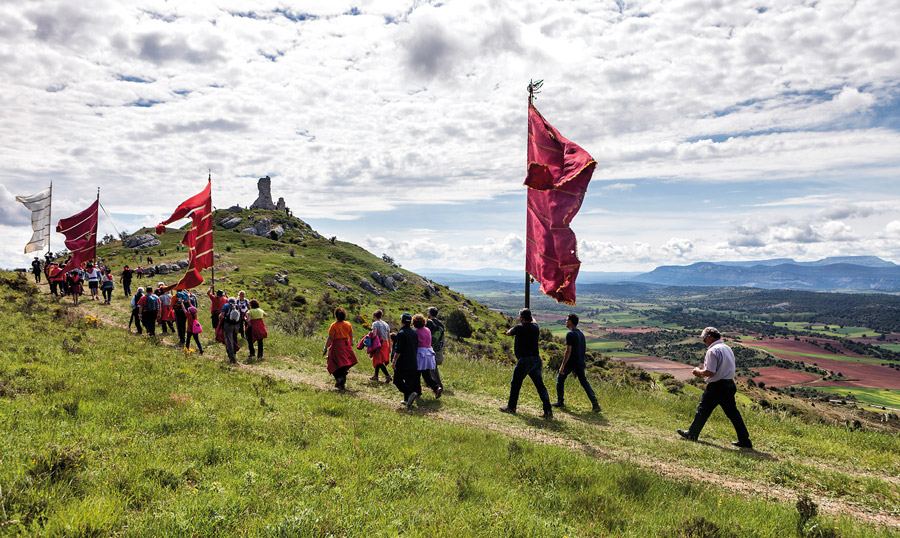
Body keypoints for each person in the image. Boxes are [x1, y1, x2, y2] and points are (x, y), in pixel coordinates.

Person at [678, 327, 753, 449]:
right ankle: (745, 440)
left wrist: (699, 372)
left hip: (717, 386)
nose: (704, 342)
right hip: (729, 384)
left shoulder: (712, 351)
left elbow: (710, 372)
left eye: (704, 339)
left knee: (703, 410)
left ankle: (692, 434)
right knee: (734, 414)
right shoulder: (727, 348)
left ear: (709, 337)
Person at [500, 308, 553, 420]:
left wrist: (514, 326)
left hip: (525, 361)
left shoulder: (519, 327)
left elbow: (509, 333)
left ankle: (511, 407)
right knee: (540, 386)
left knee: (515, 384)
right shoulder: (535, 328)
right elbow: (534, 321)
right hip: (536, 360)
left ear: (521, 318)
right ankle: (548, 411)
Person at [552, 314, 601, 412]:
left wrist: (562, 365)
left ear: (570, 322)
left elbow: (568, 351)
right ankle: (595, 404)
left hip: (571, 362)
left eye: (566, 320)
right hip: (580, 362)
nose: (566, 322)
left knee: (560, 379)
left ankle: (560, 402)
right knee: (584, 383)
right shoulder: (581, 333)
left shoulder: (570, 334)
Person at [323, 307, 358, 390]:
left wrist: (325, 347)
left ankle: (339, 378)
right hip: (346, 345)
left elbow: (330, 338)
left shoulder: (334, 326)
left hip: (337, 346)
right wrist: (350, 344)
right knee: (345, 363)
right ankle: (341, 383)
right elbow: (351, 335)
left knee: (331, 362)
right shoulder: (348, 324)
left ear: (336, 316)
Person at [391, 312, 421, 408]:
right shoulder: (414, 332)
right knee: (408, 381)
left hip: (403, 362)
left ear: (402, 321)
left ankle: (411, 393)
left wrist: (394, 360)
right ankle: (406, 400)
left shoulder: (401, 333)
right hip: (412, 361)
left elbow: (399, 349)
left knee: (397, 380)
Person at [413, 314, 442, 398]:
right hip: (429, 353)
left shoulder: (416, 332)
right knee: (427, 375)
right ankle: (436, 387)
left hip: (420, 354)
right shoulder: (427, 330)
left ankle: (418, 393)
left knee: (416, 375)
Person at [369, 309, 392, 382]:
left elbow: (374, 334)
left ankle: (387, 376)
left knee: (378, 361)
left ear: (375, 316)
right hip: (385, 344)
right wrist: (390, 347)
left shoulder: (375, 324)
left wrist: (370, 338)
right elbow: (389, 336)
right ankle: (375, 375)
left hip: (378, 343)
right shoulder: (386, 324)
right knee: (379, 359)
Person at [425, 306, 446, 386]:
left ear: (430, 313)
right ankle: (431, 381)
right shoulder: (441, 324)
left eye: (428, 312)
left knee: (429, 365)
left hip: (429, 346)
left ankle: (436, 383)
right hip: (437, 347)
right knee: (433, 365)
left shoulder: (429, 322)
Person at [218, 298, 241, 364]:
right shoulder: (237, 306)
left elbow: (221, 315)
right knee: (234, 340)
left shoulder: (226, 305)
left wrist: (219, 318)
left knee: (229, 340)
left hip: (228, 325)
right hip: (236, 325)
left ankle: (232, 358)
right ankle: (234, 354)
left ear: (228, 301)